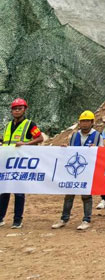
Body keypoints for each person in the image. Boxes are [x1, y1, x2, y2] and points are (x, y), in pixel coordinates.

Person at [52, 111, 100, 231]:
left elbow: (102, 151)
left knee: (86, 196)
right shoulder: (74, 135)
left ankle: (86, 220)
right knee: (69, 195)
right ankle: (64, 218)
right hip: (74, 171)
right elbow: (71, 150)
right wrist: (65, 148)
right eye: (82, 121)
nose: (84, 124)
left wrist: (96, 149)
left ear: (92, 122)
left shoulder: (97, 135)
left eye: (87, 121)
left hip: (88, 170)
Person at [0, 98, 43, 229]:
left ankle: (17, 220)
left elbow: (39, 138)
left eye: (19, 108)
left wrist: (25, 144)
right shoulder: (8, 125)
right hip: (7, 162)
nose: (17, 111)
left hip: (20, 163)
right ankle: (0, 217)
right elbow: (6, 141)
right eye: (15, 109)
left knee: (18, 192)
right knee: (4, 191)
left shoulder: (30, 124)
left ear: (24, 110)